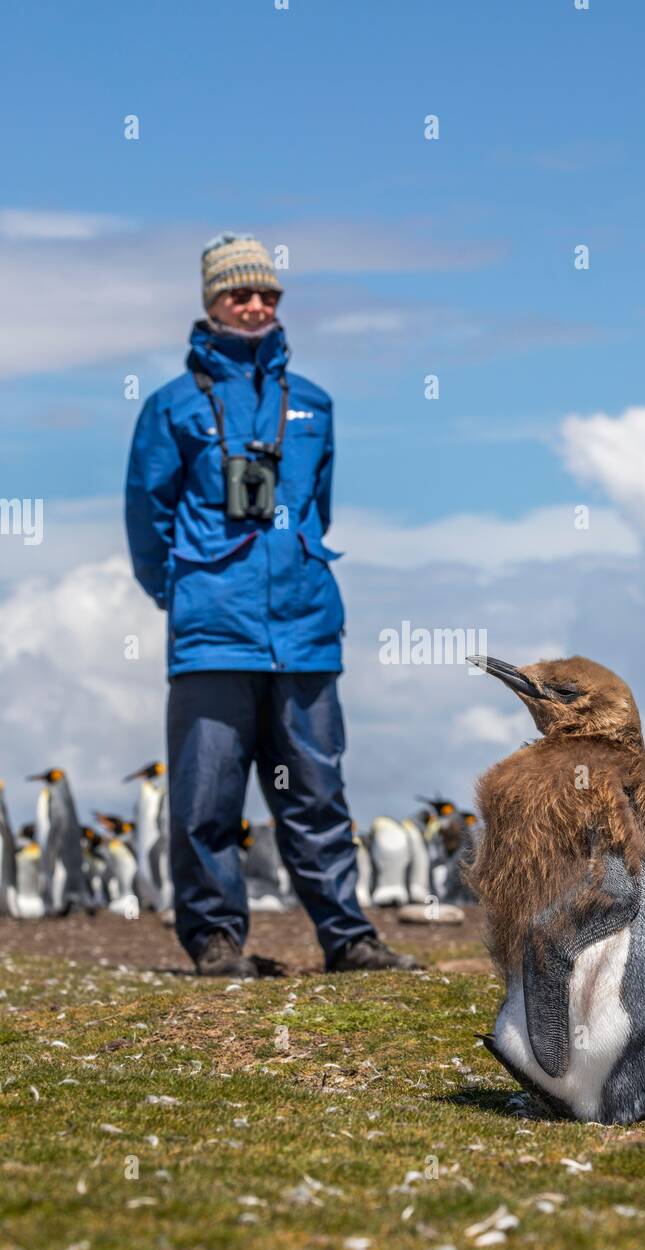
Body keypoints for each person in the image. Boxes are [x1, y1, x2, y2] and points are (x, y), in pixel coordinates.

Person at [125, 232, 418, 977]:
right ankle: (217, 941)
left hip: (306, 631)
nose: (255, 305)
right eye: (239, 293)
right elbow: (146, 519)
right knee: (206, 801)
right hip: (211, 636)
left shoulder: (313, 404)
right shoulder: (170, 407)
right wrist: (186, 593)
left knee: (318, 793)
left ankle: (348, 939)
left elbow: (317, 507)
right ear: (212, 301)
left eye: (267, 294)